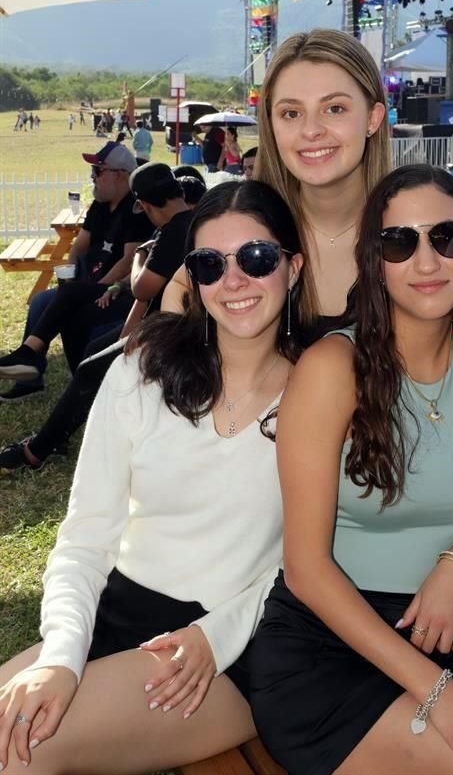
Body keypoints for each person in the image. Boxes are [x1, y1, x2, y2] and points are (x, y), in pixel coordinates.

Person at [249, 164, 453, 775]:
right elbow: (305, 571)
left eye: (446, 237)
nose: (426, 261)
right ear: (374, 261)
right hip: (326, 649)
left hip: (422, 644)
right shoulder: (333, 367)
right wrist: (439, 694)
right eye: (400, 242)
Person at [0, 179, 305, 773]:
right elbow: (86, 534)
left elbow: (312, 560)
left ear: (292, 268)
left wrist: (217, 635)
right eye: (209, 264)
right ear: (190, 275)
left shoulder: (319, 393)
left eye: (258, 258)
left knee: (20, 753)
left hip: (235, 646)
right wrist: (61, 655)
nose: (234, 280)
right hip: (120, 614)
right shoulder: (142, 372)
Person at [166, 29, 390, 325]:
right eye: (291, 113)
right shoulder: (250, 227)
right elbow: (180, 285)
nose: (311, 130)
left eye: (334, 109)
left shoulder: (416, 233)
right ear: (270, 124)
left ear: (373, 118)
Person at [0, 162, 196, 471]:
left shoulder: (173, 231)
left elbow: (143, 288)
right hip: (167, 321)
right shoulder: (198, 220)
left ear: (144, 205)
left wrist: (141, 257)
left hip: (171, 329)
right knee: (86, 338)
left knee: (91, 364)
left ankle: (36, 451)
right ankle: (42, 375)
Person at [0, 142, 153, 388]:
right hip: (88, 285)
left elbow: (129, 260)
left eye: (98, 171)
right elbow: (79, 245)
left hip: (115, 290)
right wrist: (71, 276)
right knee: (41, 300)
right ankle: (29, 378)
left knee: (73, 307)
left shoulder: (136, 209)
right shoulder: (101, 204)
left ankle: (76, 384)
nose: (92, 177)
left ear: (121, 175)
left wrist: (91, 291)